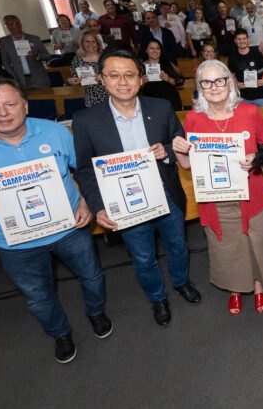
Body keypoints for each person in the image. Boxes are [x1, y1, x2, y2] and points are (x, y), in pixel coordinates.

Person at [0, 77, 110, 363]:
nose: (2, 112)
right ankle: (60, 333)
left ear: (25, 106)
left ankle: (97, 313)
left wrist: (85, 202)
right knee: (39, 296)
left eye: (10, 104)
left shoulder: (56, 132)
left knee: (91, 276)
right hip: (17, 242)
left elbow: (82, 171)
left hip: (70, 227)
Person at [73, 49, 201, 328]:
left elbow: (179, 142)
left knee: (178, 245)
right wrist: (98, 206)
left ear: (141, 79)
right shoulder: (85, 120)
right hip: (125, 202)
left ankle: (181, 282)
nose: (123, 82)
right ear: (101, 79)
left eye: (129, 75)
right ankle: (157, 297)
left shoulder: (161, 107)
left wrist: (166, 150)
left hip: (166, 193)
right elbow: (84, 170)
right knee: (143, 257)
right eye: (114, 75)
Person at [172, 60, 263, 315]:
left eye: (219, 80)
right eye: (206, 82)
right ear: (200, 87)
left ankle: (258, 285)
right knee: (228, 246)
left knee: (257, 241)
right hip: (215, 199)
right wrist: (178, 150)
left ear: (229, 82)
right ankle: (236, 288)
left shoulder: (250, 112)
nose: (214, 87)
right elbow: (188, 165)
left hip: (251, 193)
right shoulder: (193, 119)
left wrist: (256, 157)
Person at [0, 14, 50, 89]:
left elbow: (48, 56)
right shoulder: (4, 41)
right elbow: (5, 62)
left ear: (19, 24)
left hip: (39, 79)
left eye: (13, 23)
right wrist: (14, 78)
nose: (11, 26)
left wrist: (37, 55)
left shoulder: (34, 38)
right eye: (7, 24)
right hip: (20, 81)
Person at [228, 29, 263, 107]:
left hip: (259, 96)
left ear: (248, 39)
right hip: (242, 98)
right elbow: (231, 74)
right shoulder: (232, 57)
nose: (242, 41)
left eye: (244, 38)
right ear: (235, 41)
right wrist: (236, 84)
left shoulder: (257, 53)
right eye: (239, 39)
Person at [66, 32, 108, 107]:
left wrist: (104, 76)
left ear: (97, 43)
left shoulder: (107, 57)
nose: (90, 44)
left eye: (93, 42)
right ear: (82, 43)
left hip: (110, 96)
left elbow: (118, 74)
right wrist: (71, 81)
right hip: (91, 99)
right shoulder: (77, 60)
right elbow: (72, 78)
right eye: (87, 41)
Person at [141, 39, 184, 111]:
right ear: (146, 50)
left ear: (161, 51)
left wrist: (169, 79)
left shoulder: (168, 63)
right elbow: (134, 88)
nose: (155, 51)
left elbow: (181, 81)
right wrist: (141, 83)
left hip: (171, 102)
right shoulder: (141, 67)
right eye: (151, 48)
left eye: (157, 48)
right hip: (150, 104)